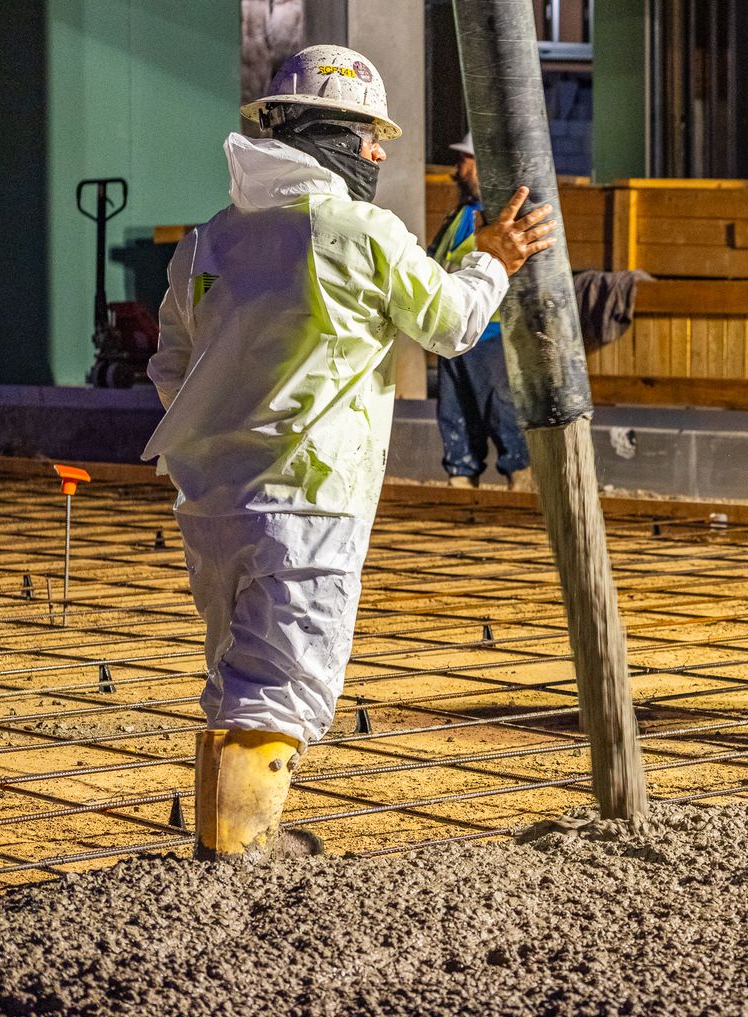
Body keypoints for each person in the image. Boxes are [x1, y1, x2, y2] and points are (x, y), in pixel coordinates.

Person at [142, 45, 556, 861]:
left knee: (239, 671)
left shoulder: (209, 243)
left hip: (211, 502)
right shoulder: (356, 230)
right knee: (283, 681)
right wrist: (493, 260)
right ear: (328, 134)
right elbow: (448, 322)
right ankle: (239, 853)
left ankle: (231, 836)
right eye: (370, 135)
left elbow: (167, 370)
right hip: (309, 501)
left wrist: (234, 427)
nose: (378, 152)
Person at [429, 133, 532, 490]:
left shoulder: (494, 219)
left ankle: (519, 477)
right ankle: (461, 476)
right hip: (452, 327)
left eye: (465, 162)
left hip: (489, 329)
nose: (458, 171)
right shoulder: (463, 215)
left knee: (499, 406)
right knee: (455, 411)